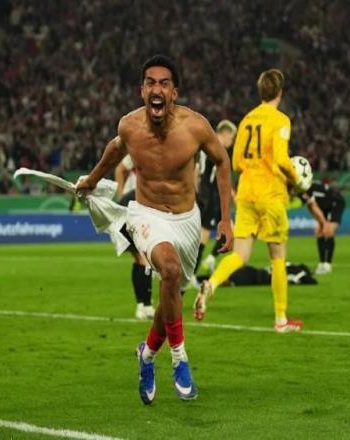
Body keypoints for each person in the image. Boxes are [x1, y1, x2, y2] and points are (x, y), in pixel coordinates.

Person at [76, 55, 233, 404]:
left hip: (187, 220)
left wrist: (226, 218)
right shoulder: (130, 126)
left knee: (172, 292)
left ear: (174, 92)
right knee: (171, 271)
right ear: (142, 90)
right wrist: (92, 179)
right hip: (146, 214)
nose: (156, 89)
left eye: (164, 83)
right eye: (150, 82)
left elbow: (223, 162)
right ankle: (179, 359)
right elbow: (115, 149)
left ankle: (146, 355)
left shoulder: (195, 126)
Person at [193, 68, 304, 332]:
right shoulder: (280, 120)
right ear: (280, 92)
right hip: (270, 194)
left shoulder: (246, 121)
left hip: (246, 193)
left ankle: (212, 284)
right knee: (277, 255)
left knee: (240, 254)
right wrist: (296, 180)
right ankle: (281, 319)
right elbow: (281, 159)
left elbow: (236, 162)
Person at [193, 119, 237, 280]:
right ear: (225, 134)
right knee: (203, 237)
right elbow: (219, 177)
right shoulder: (216, 148)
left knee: (231, 230)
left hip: (210, 195)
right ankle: (191, 275)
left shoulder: (206, 145)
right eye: (231, 137)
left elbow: (196, 170)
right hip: (211, 196)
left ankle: (210, 260)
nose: (231, 142)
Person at [115, 154, 155, 320]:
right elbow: (120, 169)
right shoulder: (138, 150)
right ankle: (143, 305)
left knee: (142, 259)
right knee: (143, 259)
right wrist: (121, 194)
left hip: (141, 207)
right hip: (131, 207)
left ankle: (145, 305)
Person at [299, 180, 345, 274]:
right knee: (318, 232)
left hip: (335, 202)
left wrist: (324, 223)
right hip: (324, 206)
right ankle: (322, 263)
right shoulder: (303, 190)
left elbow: (314, 207)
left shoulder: (305, 190)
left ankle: (327, 265)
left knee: (328, 231)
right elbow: (311, 208)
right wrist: (320, 221)